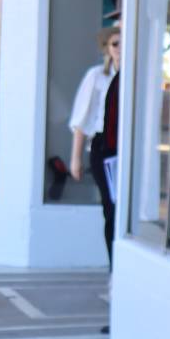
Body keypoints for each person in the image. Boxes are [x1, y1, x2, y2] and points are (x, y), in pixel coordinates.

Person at [68, 26, 120, 263]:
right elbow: (82, 118)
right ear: (107, 48)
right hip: (103, 146)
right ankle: (114, 267)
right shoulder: (97, 75)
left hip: (125, 145)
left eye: (122, 43)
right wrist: (75, 158)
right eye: (114, 44)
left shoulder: (132, 76)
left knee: (123, 210)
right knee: (111, 208)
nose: (119, 49)